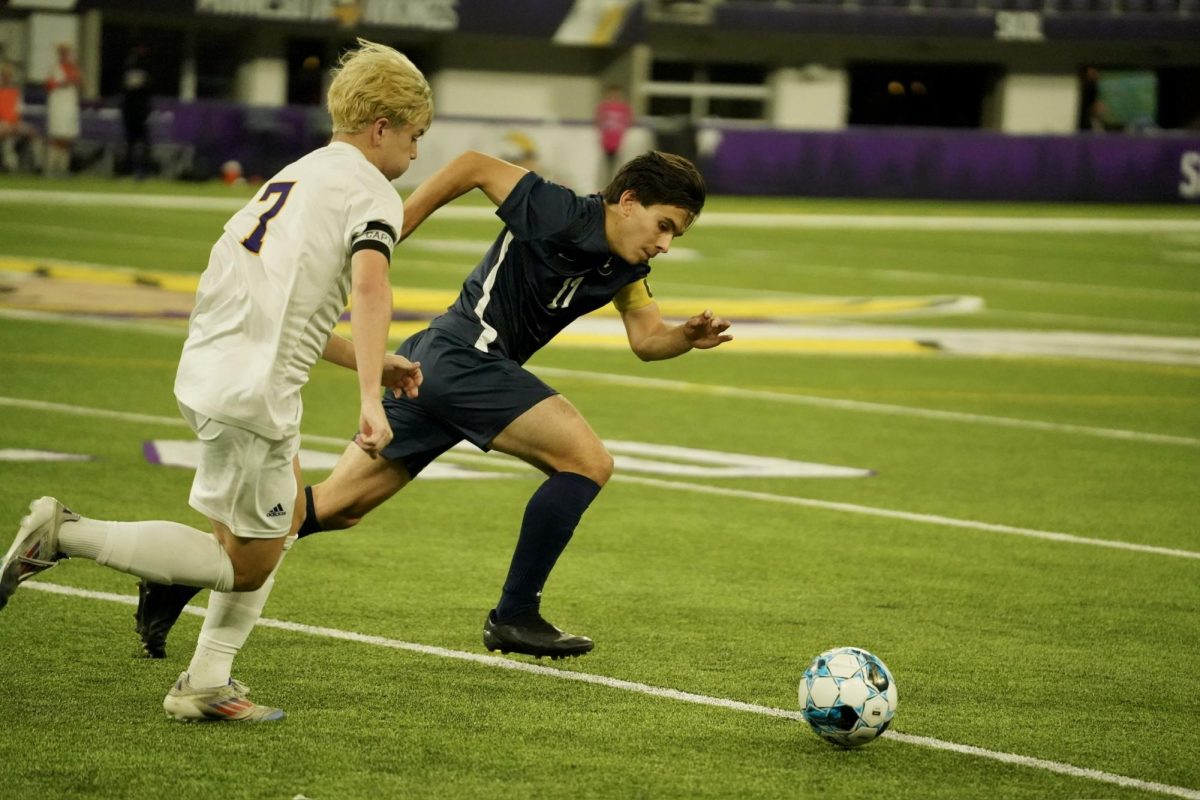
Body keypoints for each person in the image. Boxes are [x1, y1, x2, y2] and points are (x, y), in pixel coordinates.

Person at [134, 148, 733, 663]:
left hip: (439, 365)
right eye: (664, 224)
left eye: (675, 234)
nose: (665, 243)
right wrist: (392, 231)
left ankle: (181, 576)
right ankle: (514, 614)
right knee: (587, 463)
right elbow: (472, 165)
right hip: (466, 357)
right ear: (625, 200)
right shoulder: (559, 209)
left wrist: (686, 336)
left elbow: (647, 341)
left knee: (337, 507)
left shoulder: (628, 264)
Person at [0, 38, 433, 723]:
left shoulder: (295, 178)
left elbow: (282, 303)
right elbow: (372, 287)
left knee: (280, 516)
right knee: (247, 562)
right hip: (255, 391)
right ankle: (65, 535)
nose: (416, 155)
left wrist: (370, 362)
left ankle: (207, 680)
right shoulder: (370, 191)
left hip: (213, 368)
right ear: (382, 127)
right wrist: (370, 399)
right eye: (415, 137)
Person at [44, 43, 82, 177]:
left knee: (67, 137)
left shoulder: (74, 68)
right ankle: (50, 169)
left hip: (70, 105)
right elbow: (49, 85)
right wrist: (63, 82)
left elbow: (80, 82)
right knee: (56, 136)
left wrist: (75, 77)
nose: (66, 55)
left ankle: (63, 169)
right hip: (57, 105)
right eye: (63, 52)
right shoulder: (54, 68)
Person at [120, 42, 152, 179]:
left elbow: (149, 86)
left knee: (143, 142)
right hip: (129, 109)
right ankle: (127, 169)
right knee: (130, 142)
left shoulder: (147, 65)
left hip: (141, 110)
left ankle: (143, 170)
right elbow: (124, 87)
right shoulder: (128, 64)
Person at [0, 62, 36, 172]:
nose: (7, 78)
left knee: (31, 131)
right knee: (7, 143)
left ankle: (32, 167)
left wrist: (15, 126)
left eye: (9, 76)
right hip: (2, 124)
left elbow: (17, 113)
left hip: (12, 124)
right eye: (4, 76)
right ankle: (11, 169)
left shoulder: (15, 92)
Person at [595, 86, 632, 184]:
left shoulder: (624, 108)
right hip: (606, 142)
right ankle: (606, 185)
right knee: (606, 167)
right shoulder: (603, 107)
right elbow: (598, 121)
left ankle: (618, 184)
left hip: (619, 142)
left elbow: (628, 121)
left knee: (619, 166)